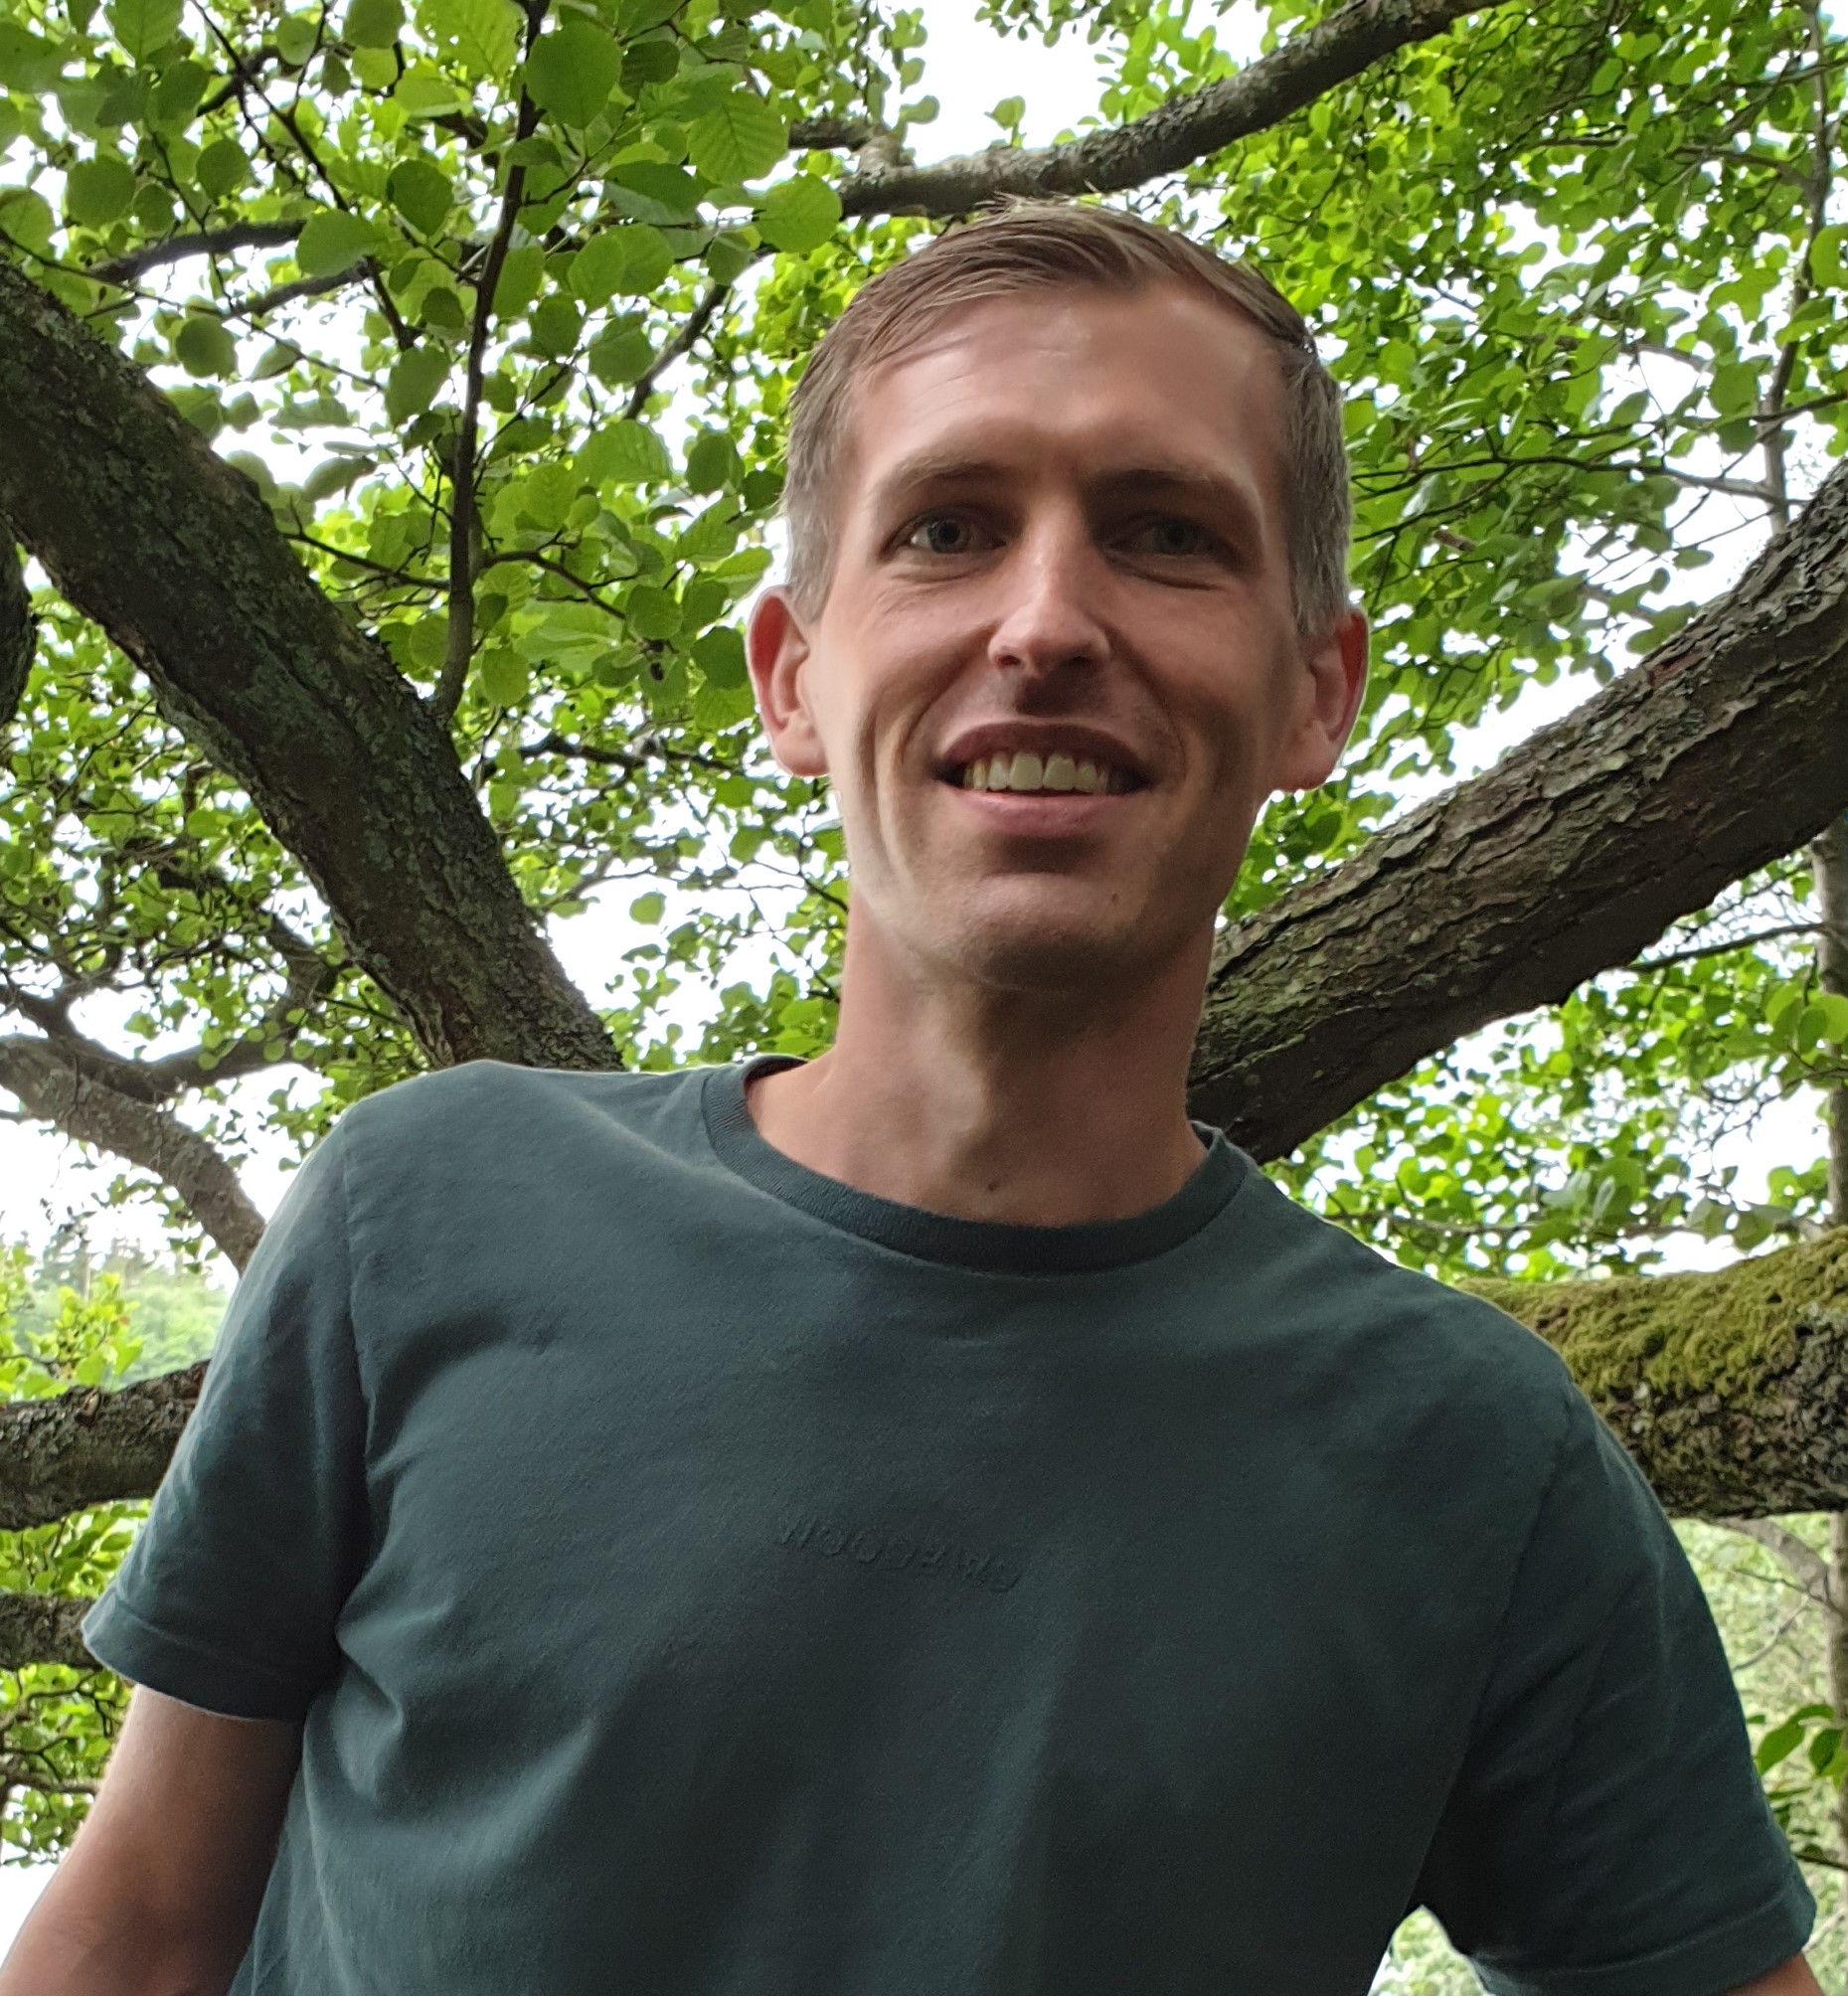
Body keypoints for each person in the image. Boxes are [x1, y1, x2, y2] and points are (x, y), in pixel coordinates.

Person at [0, 202, 1821, 1996]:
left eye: (1167, 535)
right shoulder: (426, 1206)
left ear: (1312, 693)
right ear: (792, 676)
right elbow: (139, 1929)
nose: (1048, 621)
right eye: (949, 528)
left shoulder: (1475, 1466)